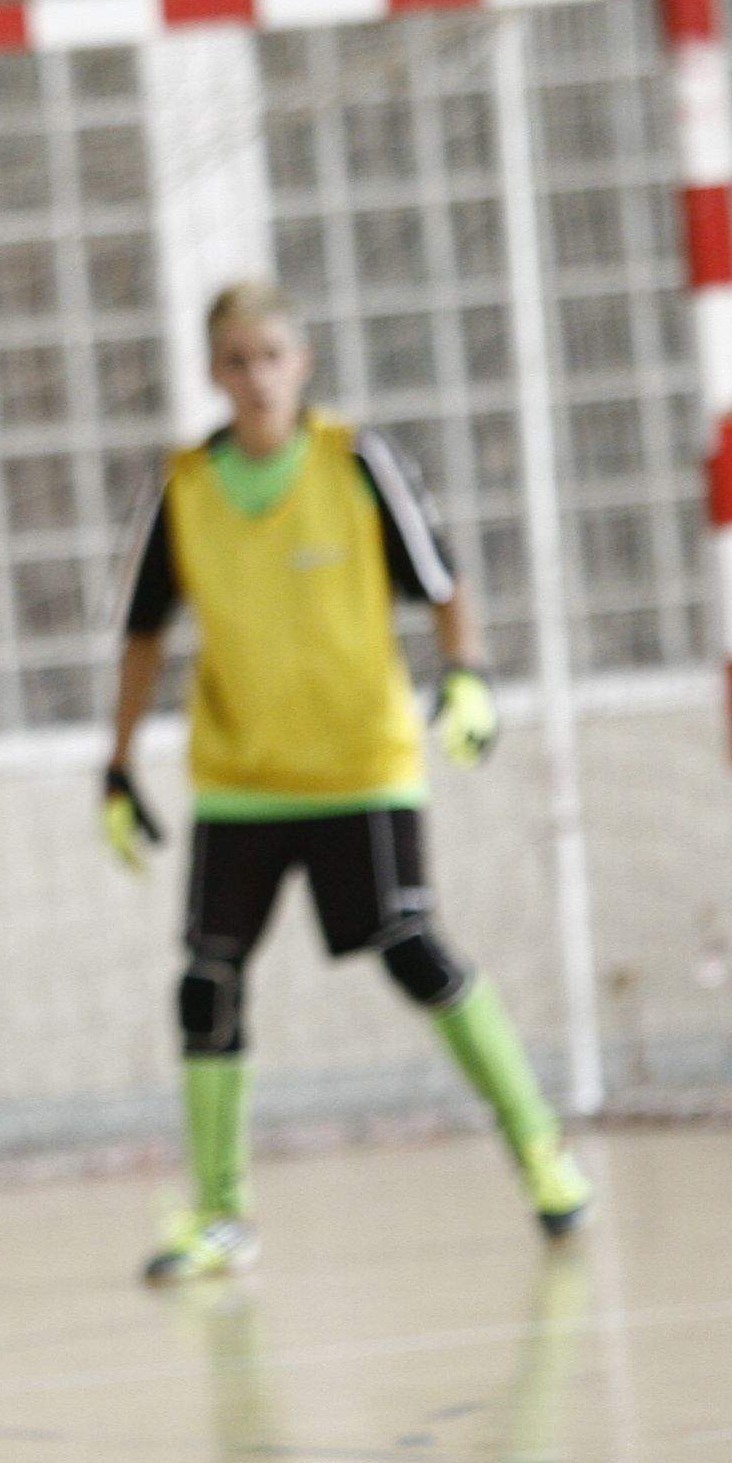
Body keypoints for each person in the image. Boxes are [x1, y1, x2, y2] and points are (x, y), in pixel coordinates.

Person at [99, 278, 593, 1284]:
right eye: (236, 360)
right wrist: (116, 763)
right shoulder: (184, 488)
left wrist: (468, 678)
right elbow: (143, 634)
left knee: (411, 947)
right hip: (242, 777)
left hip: (361, 765)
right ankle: (220, 1214)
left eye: (271, 356)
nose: (256, 378)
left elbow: (445, 583)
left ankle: (541, 1147)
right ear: (214, 372)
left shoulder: (358, 462)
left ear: (302, 362)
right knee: (206, 979)